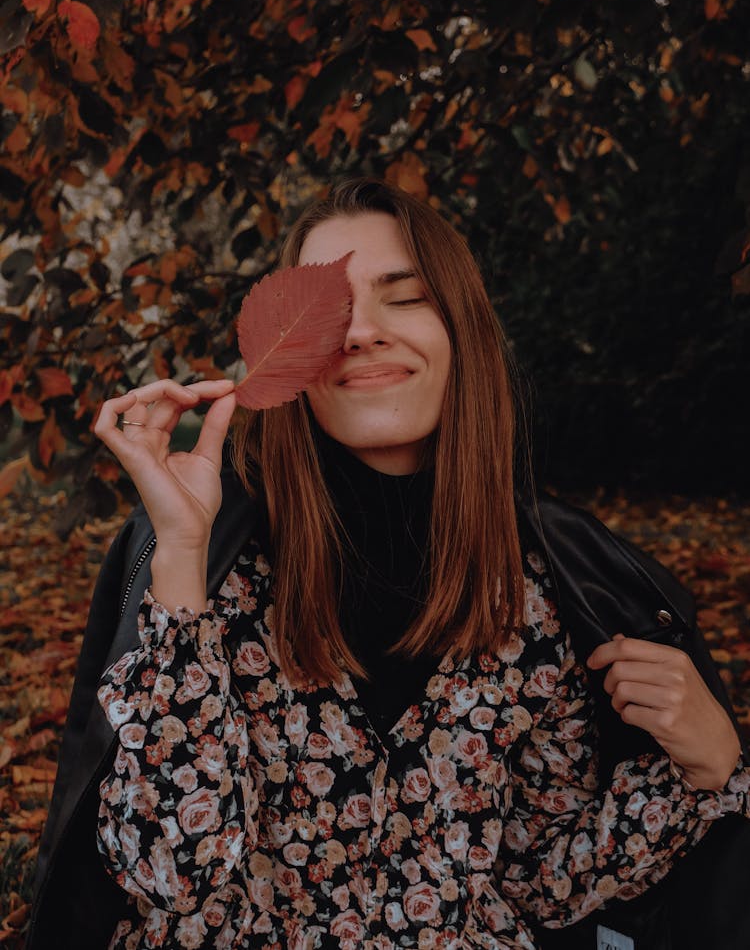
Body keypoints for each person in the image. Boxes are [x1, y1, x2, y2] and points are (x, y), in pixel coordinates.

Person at [30, 178, 749, 949]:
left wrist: (712, 767)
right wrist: (178, 554)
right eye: (328, 313)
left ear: (462, 329)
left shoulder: (544, 585)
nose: (361, 332)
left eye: (403, 297)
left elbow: (543, 876)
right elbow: (168, 872)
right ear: (288, 357)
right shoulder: (211, 555)